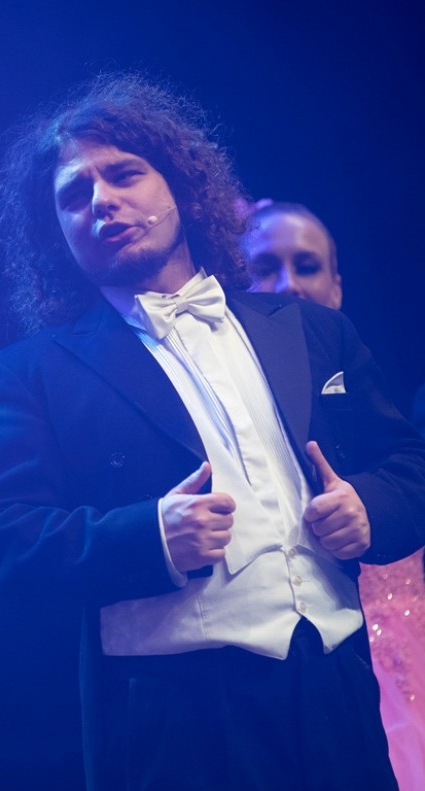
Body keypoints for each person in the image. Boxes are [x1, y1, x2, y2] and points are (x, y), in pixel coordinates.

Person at [0, 72, 425, 790]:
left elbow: (409, 464)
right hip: (178, 723)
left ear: (179, 185)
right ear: (56, 233)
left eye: (124, 175)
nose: (101, 200)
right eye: (74, 195)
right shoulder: (31, 373)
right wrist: (149, 537)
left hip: (337, 692)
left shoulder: (313, 330)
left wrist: (371, 505)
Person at [242, 200, 425, 791]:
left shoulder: (371, 380)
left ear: (337, 285)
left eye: (307, 265)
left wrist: (368, 505)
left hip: (402, 631)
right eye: (264, 266)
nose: (288, 284)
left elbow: (409, 471)